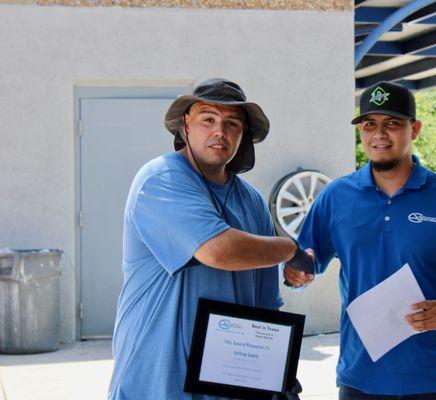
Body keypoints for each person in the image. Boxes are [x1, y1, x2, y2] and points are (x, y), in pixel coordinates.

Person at [285, 81, 436, 400]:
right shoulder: (335, 197)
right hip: (359, 379)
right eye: (369, 125)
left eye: (392, 124)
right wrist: (296, 273)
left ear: (415, 130)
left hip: (435, 380)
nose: (378, 134)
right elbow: (305, 262)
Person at [109, 78, 310, 400]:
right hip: (159, 382)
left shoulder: (252, 201)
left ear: (243, 135)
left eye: (232, 123)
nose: (220, 131)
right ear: (185, 125)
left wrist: (278, 371)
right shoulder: (161, 179)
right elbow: (219, 250)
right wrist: (290, 249)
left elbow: (264, 305)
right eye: (208, 119)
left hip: (229, 385)